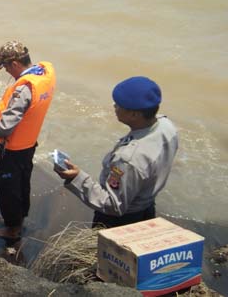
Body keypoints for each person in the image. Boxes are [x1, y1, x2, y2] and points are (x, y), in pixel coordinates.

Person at [54, 76, 178, 228]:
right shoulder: (166, 126)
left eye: (119, 105)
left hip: (121, 221)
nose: (114, 106)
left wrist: (78, 179)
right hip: (146, 207)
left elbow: (114, 206)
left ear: (134, 114)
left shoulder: (128, 159)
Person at [0, 41, 56, 242]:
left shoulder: (24, 90)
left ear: (15, 63)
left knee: (5, 185)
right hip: (29, 143)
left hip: (13, 148)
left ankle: (12, 229)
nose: (6, 71)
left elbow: (5, 126)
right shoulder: (43, 75)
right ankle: (18, 217)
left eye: (6, 66)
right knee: (22, 182)